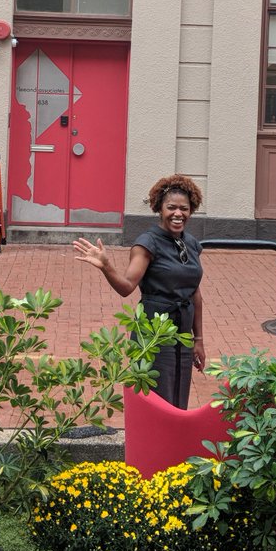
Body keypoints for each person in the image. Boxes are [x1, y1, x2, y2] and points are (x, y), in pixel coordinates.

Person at [73, 174, 206, 409]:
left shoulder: (192, 244)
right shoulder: (147, 244)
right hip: (153, 331)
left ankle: (173, 445)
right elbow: (126, 287)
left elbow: (195, 293)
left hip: (182, 334)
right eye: (171, 207)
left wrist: (198, 340)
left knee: (179, 397)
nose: (178, 213)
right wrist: (106, 266)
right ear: (159, 208)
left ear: (191, 210)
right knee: (157, 399)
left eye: (184, 208)